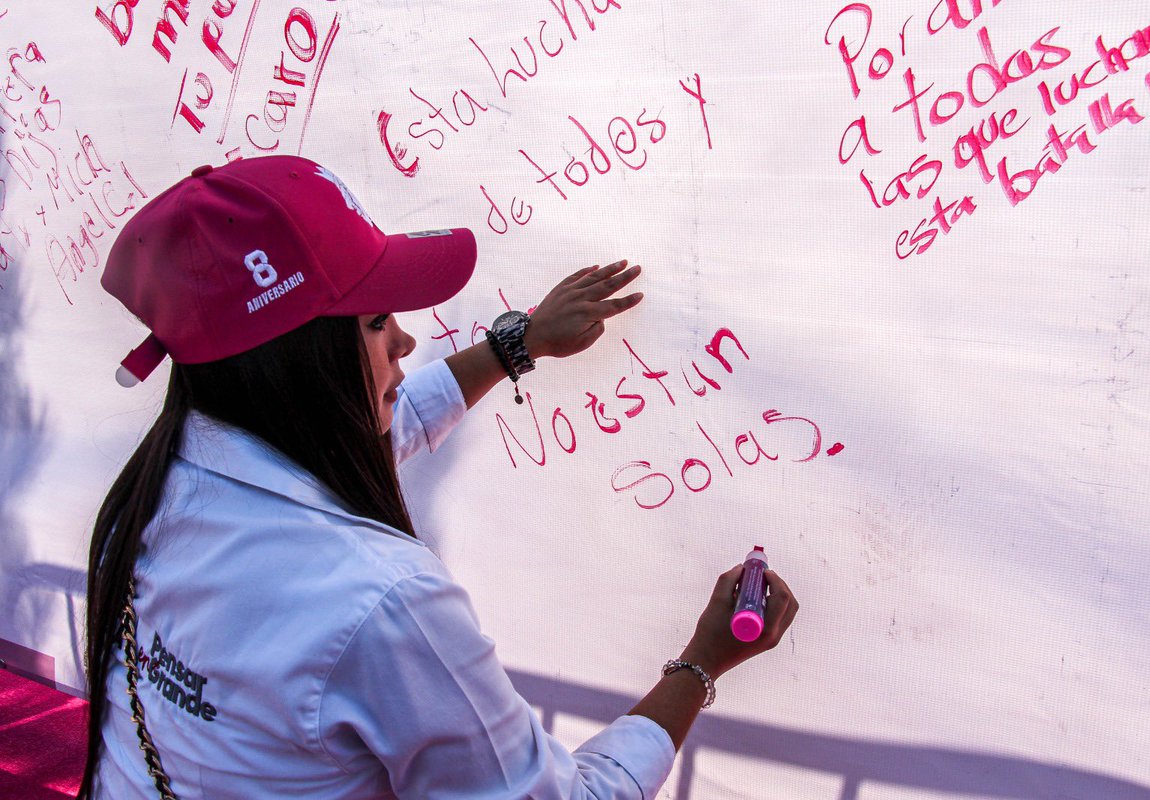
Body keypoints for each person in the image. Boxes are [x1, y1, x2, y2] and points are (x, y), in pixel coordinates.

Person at [80, 155, 799, 799]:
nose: (405, 339)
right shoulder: (380, 602)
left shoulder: (165, 481)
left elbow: (371, 433)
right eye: (373, 322)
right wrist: (704, 662)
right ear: (298, 361)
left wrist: (516, 345)